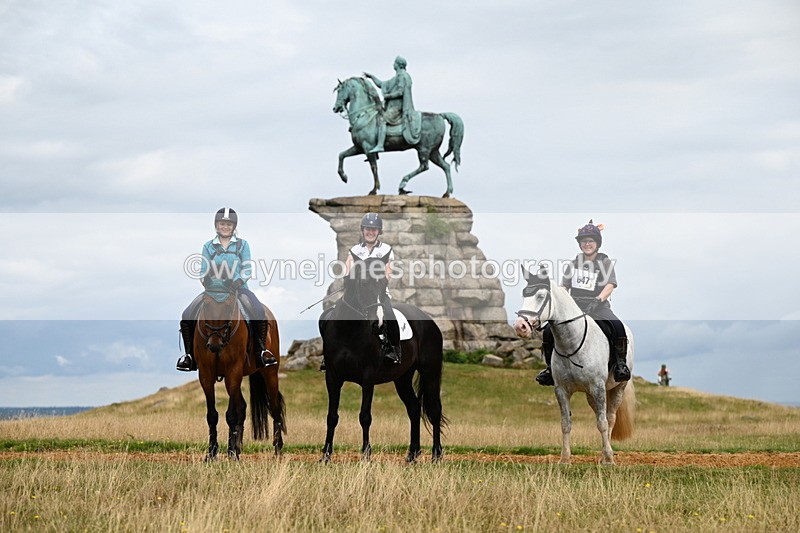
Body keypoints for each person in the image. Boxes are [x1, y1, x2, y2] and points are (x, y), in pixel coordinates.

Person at [176, 208, 278, 372]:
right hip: (212, 290)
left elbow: (247, 268)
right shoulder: (208, 246)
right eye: (222, 223)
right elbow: (203, 269)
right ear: (216, 226)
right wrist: (206, 279)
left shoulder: (242, 245)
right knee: (187, 315)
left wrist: (239, 281)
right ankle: (189, 356)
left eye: (228, 224)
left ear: (234, 226)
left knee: (258, 311)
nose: (225, 227)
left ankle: (262, 351)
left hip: (238, 289)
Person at [535, 220, 631, 386]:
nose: (587, 244)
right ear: (580, 244)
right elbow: (564, 287)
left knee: (617, 326)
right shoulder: (573, 264)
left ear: (597, 244)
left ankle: (620, 365)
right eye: (584, 241)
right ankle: (550, 369)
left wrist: (598, 300)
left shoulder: (605, 262)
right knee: (549, 331)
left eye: (590, 241)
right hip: (575, 307)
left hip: (598, 305)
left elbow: (610, 284)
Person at [345, 212, 402, 364]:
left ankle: (394, 350)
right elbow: (347, 271)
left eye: (374, 229)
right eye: (367, 229)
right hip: (357, 294)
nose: (370, 232)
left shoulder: (386, 249)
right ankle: (330, 354)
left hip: (378, 293)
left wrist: (374, 283)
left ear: (379, 232)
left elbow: (388, 273)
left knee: (389, 314)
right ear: (362, 230)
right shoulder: (354, 251)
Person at [363, 56, 421, 153]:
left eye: (394, 62)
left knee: (382, 119)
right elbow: (382, 84)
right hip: (392, 107)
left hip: (397, 108)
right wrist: (372, 77)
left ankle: (380, 145)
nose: (393, 64)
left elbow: (400, 92)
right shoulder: (396, 77)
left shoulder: (403, 76)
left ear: (398, 65)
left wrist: (388, 96)